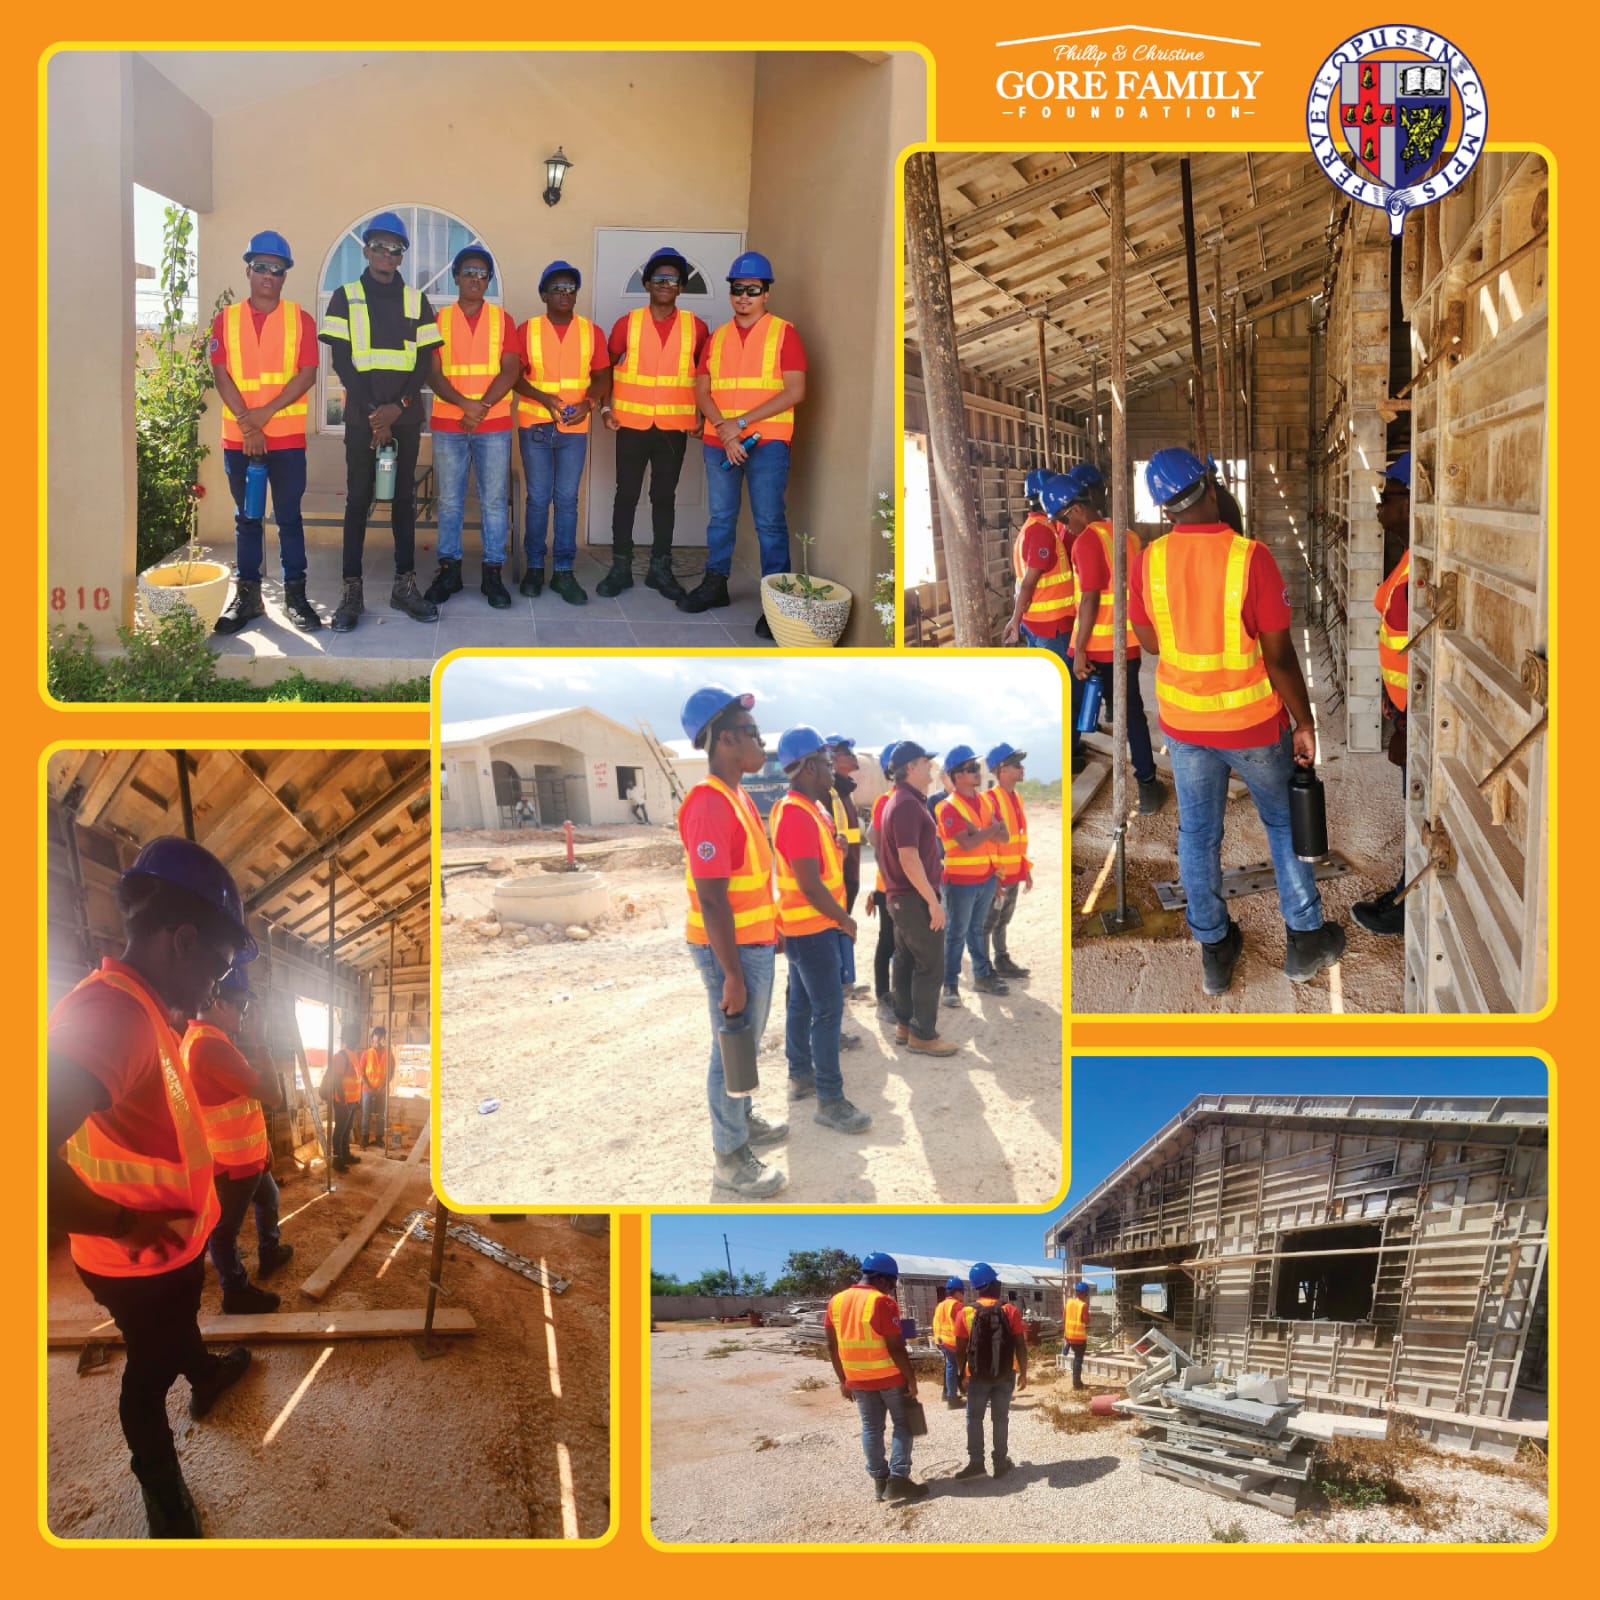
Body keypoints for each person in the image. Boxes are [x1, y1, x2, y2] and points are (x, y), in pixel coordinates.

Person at [47, 837, 258, 1537]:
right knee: (149, 1369)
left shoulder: (143, 1012)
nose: (217, 990)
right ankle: (162, 1492)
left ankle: (205, 1376)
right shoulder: (109, 1014)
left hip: (167, 1250)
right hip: (135, 1257)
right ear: (184, 940)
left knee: (174, 1333)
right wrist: (119, 1223)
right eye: (221, 971)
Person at [1132, 448, 1346, 995]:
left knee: (1197, 835)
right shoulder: (1251, 558)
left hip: (1184, 727)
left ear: (1164, 507)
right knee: (1282, 824)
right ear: (1209, 485)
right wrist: (1304, 721)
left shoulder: (1148, 562)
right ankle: (1304, 940)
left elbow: (1153, 643)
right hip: (1251, 728)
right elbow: (1278, 656)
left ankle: (1214, 948)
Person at [676, 685, 789, 1198]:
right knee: (732, 1049)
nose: (761, 743)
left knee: (744, 1043)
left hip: (751, 941)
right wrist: (734, 977)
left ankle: (742, 1120)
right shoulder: (709, 804)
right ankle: (730, 1156)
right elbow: (713, 899)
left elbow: (751, 879)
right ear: (724, 740)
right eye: (752, 734)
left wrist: (773, 926)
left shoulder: (737, 795)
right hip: (731, 951)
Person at [318, 211, 442, 631]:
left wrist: (398, 407)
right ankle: (352, 592)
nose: (387, 254)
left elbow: (424, 361)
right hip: (362, 419)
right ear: (367, 250)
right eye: (380, 246)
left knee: (403, 502)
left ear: (401, 257)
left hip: (403, 419)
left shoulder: (416, 301)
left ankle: (404, 586)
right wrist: (376, 414)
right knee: (358, 500)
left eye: (395, 249)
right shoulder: (345, 295)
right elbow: (341, 360)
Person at [678, 252, 807, 638]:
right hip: (722, 441)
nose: (744, 296)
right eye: (738, 289)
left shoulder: (784, 333)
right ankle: (715, 585)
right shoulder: (717, 337)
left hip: (767, 443)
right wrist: (724, 428)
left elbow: (796, 390)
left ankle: (776, 604)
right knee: (720, 518)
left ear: (766, 293)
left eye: (753, 289)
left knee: (769, 523)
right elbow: (702, 389)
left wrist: (741, 424)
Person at [210, 230, 322, 634]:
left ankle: (296, 596)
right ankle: (249, 598)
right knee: (247, 518)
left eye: (277, 269)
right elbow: (220, 374)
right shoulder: (226, 319)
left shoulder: (300, 319)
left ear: (285, 276)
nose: (269, 275)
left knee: (289, 517)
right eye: (261, 267)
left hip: (286, 439)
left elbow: (306, 375)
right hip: (239, 439)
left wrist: (264, 415)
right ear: (248, 270)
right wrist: (247, 422)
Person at [768, 727, 873, 1136]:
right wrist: (844, 919)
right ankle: (830, 1100)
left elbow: (821, 864)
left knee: (802, 1004)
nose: (834, 770)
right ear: (809, 766)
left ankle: (801, 1075)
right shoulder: (795, 812)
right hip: (813, 926)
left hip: (807, 924)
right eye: (828, 764)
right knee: (827, 1010)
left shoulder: (813, 807)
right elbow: (809, 883)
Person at [596, 247, 711, 603]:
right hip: (630, 424)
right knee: (625, 495)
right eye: (659, 278)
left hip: (673, 429)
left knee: (664, 498)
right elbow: (605, 368)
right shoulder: (627, 324)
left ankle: (661, 569)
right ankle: (620, 567)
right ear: (647, 284)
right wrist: (604, 408)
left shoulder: (697, 327)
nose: (665, 284)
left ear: (680, 288)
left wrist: (703, 416)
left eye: (673, 280)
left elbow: (706, 375)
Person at [182, 965, 290, 1314]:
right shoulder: (211, 1047)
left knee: (269, 1196)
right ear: (218, 1003)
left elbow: (242, 1100)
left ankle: (269, 1252)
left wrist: (264, 1146)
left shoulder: (207, 1040)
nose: (246, 1014)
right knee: (224, 1230)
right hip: (233, 1162)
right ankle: (235, 1290)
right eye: (242, 1006)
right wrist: (261, 1040)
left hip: (248, 1155)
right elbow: (272, 1094)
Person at [423, 247, 522, 611]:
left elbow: (510, 369)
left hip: (492, 425)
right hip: (450, 423)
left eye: (482, 274)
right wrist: (466, 405)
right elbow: (432, 372)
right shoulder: (438, 320)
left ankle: (492, 572)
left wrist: (478, 408)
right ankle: (449, 570)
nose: (475, 279)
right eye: (469, 272)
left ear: (489, 280)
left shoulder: (503, 320)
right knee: (448, 501)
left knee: (494, 502)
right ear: (456, 277)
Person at [1065, 468, 1168, 815]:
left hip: (1097, 646)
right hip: (1127, 643)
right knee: (1131, 712)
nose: (1065, 528)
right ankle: (1148, 784)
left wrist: (1079, 650)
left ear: (1078, 509)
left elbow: (1090, 599)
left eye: (1065, 520)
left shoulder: (1087, 540)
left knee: (1078, 706)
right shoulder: (1127, 535)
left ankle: (1070, 765)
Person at [514, 261, 612, 605]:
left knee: (567, 501)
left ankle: (564, 572)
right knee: (539, 499)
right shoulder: (527, 330)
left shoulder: (591, 332)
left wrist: (589, 402)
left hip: (574, 428)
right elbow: (514, 376)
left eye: (571, 289)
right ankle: (536, 568)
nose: (564, 295)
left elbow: (602, 375)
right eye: (557, 288)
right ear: (543, 294)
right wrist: (542, 398)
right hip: (535, 426)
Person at [1353, 452, 1413, 937]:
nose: (1379, 508)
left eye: (1387, 497)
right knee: (1412, 803)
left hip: (1424, 716)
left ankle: (1407, 903)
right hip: (1406, 707)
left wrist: (1412, 716)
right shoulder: (1411, 557)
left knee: (1420, 808)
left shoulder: (1422, 571)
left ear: (1413, 502)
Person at [824, 1254, 928, 1503]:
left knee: (871, 1428)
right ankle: (899, 1479)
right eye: (892, 1283)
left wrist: (843, 1380)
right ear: (881, 1278)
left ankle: (880, 1482)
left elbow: (831, 1345)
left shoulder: (836, 1302)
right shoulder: (881, 1302)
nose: (892, 1289)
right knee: (903, 1425)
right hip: (889, 1376)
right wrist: (911, 1379)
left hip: (858, 1380)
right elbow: (895, 1347)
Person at [879, 742, 960, 1055]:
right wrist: (933, 901)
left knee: (906, 962)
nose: (931, 767)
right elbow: (908, 858)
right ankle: (923, 1035)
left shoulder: (900, 801)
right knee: (930, 966)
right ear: (910, 767)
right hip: (913, 898)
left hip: (901, 898)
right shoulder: (907, 805)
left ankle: (904, 1025)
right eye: (926, 762)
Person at [934, 745, 1009, 1007]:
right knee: (956, 932)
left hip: (986, 877)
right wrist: (989, 830)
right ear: (955, 776)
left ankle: (982, 975)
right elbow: (966, 844)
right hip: (961, 882)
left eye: (976, 767)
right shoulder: (947, 807)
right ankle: (950, 985)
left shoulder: (987, 800)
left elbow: (1005, 835)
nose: (977, 772)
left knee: (976, 929)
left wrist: (978, 831)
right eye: (971, 769)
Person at [953, 1262, 1029, 1480]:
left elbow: (959, 1349)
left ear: (977, 1287)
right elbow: (1020, 1345)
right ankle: (1000, 1463)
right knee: (1000, 1419)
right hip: (1006, 1374)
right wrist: (1023, 1372)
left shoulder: (965, 1312)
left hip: (977, 1376)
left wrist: (962, 1373)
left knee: (974, 1418)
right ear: (992, 1284)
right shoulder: (1010, 1310)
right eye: (997, 1280)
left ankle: (976, 1463)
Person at [1002, 469, 1076, 663]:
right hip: (1051, 626)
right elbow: (1028, 582)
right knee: (1063, 685)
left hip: (1040, 623)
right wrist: (1015, 619)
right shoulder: (1041, 532)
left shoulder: (1032, 527)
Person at [982, 743, 1033, 980]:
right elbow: (988, 843)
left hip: (1013, 873)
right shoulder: (989, 800)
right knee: (987, 923)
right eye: (1016, 765)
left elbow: (1018, 838)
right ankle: (984, 969)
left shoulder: (1016, 797)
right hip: (998, 876)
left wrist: (1025, 869)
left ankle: (1001, 960)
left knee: (1002, 920)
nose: (1021, 769)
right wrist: (994, 877)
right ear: (1002, 770)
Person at [825, 734, 869, 998]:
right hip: (836, 876)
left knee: (843, 929)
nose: (853, 756)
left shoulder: (844, 791)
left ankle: (844, 982)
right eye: (845, 752)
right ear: (831, 758)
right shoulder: (828, 792)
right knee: (834, 929)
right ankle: (836, 986)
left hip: (848, 873)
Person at [863, 742, 900, 1019]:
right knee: (887, 942)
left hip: (904, 888)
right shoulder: (886, 801)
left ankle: (900, 992)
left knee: (903, 944)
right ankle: (883, 995)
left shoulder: (913, 800)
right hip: (890, 888)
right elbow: (875, 841)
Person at [320, 1021, 364, 1173]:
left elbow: (355, 1080)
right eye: (353, 1036)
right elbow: (337, 1080)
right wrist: (343, 1102)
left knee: (347, 1130)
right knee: (339, 1131)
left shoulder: (353, 1056)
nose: (356, 1039)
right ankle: (337, 1160)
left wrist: (356, 1101)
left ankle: (345, 1155)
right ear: (348, 1038)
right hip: (342, 1102)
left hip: (351, 1102)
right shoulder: (341, 1056)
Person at [931, 1275, 967, 1408]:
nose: (963, 1294)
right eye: (962, 1291)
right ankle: (953, 1398)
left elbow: (936, 1323)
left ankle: (947, 1393)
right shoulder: (957, 1306)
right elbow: (963, 1325)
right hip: (953, 1342)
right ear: (957, 1291)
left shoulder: (940, 1305)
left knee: (949, 1366)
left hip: (941, 1341)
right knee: (956, 1367)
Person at [360, 1023, 394, 1147]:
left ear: (384, 1038)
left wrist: (382, 1087)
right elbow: (361, 1072)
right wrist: (369, 1087)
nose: (378, 1041)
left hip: (382, 1090)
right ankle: (365, 1138)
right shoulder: (366, 1054)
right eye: (376, 1038)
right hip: (367, 1090)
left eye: (381, 1038)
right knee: (366, 1115)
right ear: (372, 1038)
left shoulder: (389, 1054)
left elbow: (391, 1073)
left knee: (381, 1115)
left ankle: (379, 1138)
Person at [1063, 1280, 1092, 1389]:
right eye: (1086, 1294)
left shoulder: (1069, 1302)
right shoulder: (1083, 1305)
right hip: (1079, 1338)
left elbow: (1064, 1318)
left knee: (1076, 1358)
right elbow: (1085, 1320)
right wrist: (1089, 1317)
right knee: (1078, 1360)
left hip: (1069, 1336)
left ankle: (1076, 1381)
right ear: (1084, 1293)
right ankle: (1077, 1383)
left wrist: (1065, 1334)